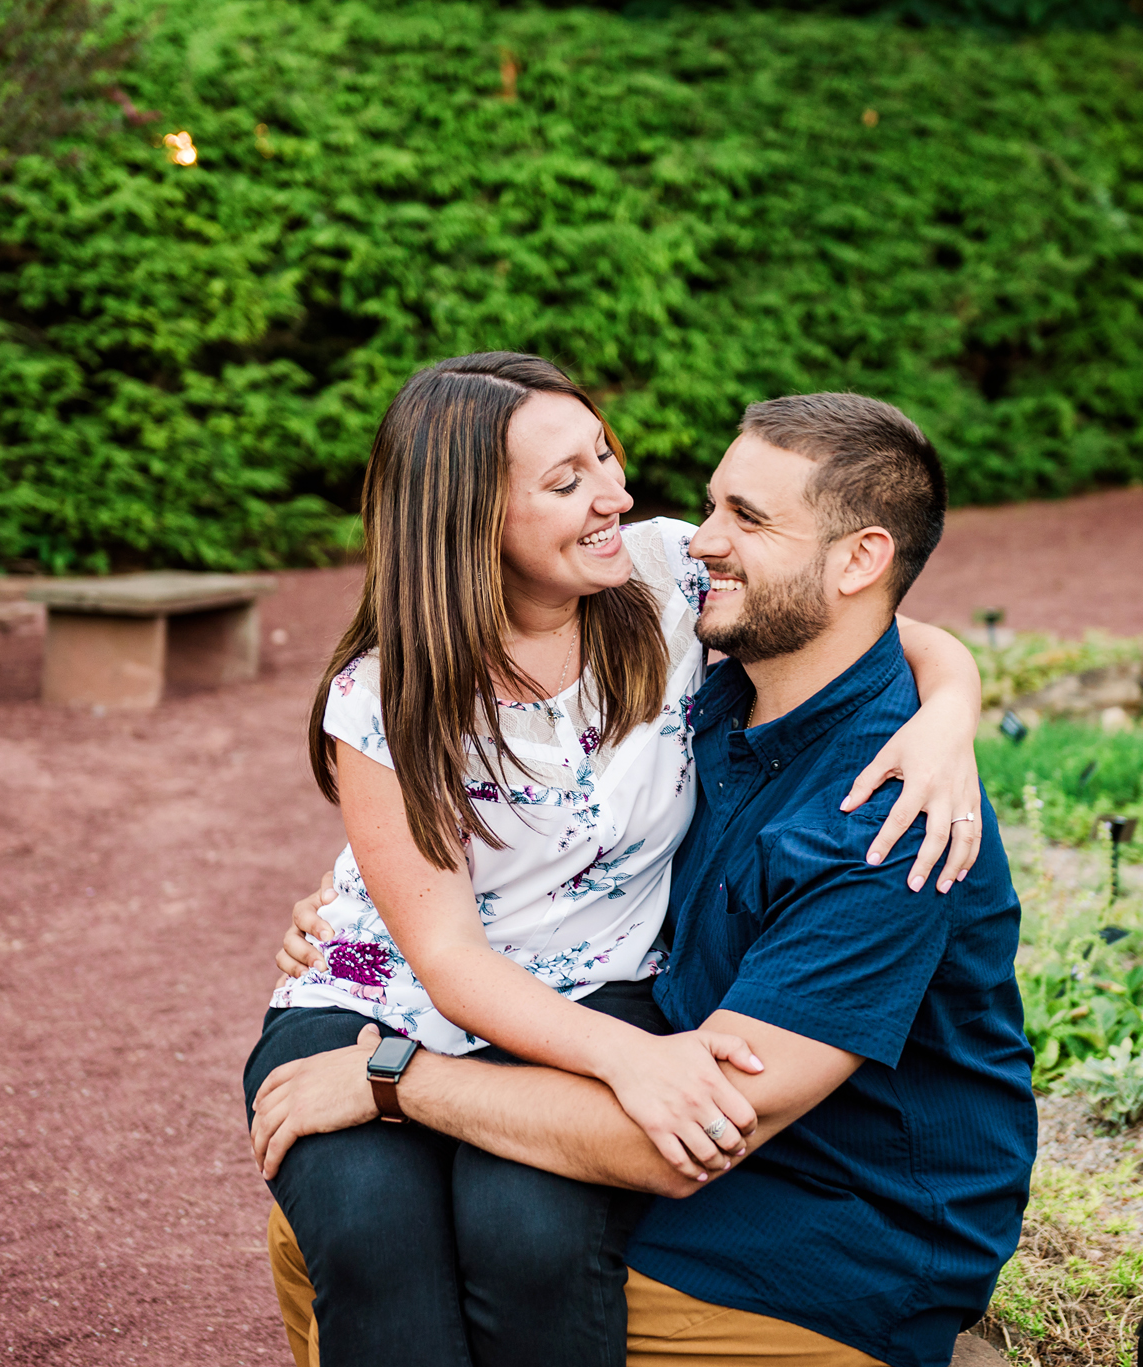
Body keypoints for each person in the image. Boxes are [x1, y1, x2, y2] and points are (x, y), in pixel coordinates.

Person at [256, 390, 1037, 1367]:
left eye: (745, 518)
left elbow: (684, 1130)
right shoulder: (715, 673)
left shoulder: (886, 815)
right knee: (367, 1218)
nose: (695, 538)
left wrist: (393, 1082)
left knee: (507, 1241)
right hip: (672, 1120)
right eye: (711, 504)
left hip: (827, 1223)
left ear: (856, 558)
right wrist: (377, 915)